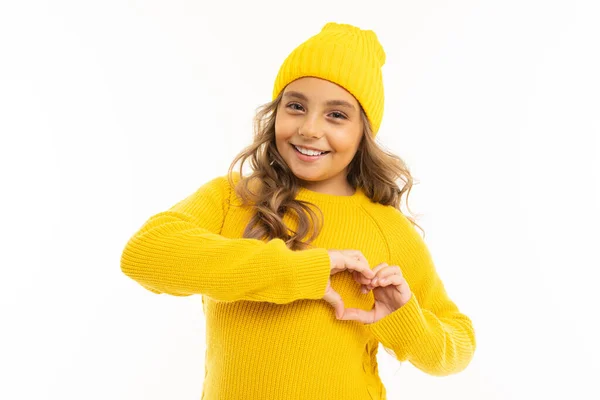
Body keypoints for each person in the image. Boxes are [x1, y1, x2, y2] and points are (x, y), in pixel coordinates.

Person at [120, 22, 476, 400]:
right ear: (276, 113)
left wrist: (404, 321)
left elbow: (458, 347)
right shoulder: (233, 197)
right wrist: (305, 271)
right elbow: (143, 254)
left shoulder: (386, 229)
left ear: (363, 134)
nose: (309, 128)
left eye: (336, 115)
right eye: (296, 106)